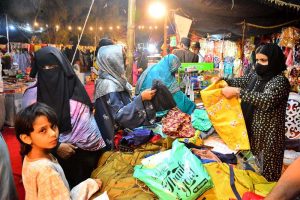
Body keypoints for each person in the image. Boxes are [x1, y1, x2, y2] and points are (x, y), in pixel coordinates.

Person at [24, 46, 106, 187]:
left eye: (53, 66)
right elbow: (27, 131)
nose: (49, 71)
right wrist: (56, 147)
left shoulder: (76, 91)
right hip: (48, 159)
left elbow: (87, 129)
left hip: (81, 157)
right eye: (44, 67)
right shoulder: (31, 95)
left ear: (62, 66)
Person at [217, 43, 290, 181]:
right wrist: (223, 81)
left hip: (268, 138)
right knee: (248, 171)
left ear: (274, 61)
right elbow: (237, 81)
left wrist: (238, 92)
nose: (259, 64)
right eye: (257, 60)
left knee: (266, 176)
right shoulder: (255, 76)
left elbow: (267, 100)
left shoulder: (280, 81)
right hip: (249, 132)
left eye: (263, 60)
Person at [14, 102, 102, 199]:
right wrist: (88, 185)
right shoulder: (46, 170)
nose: (53, 134)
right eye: (43, 130)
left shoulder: (32, 156)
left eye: (53, 126)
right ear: (26, 138)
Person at [94, 44, 157, 150]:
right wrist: (140, 98)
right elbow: (120, 116)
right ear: (112, 62)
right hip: (116, 139)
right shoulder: (109, 85)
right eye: (123, 59)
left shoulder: (114, 80)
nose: (127, 63)